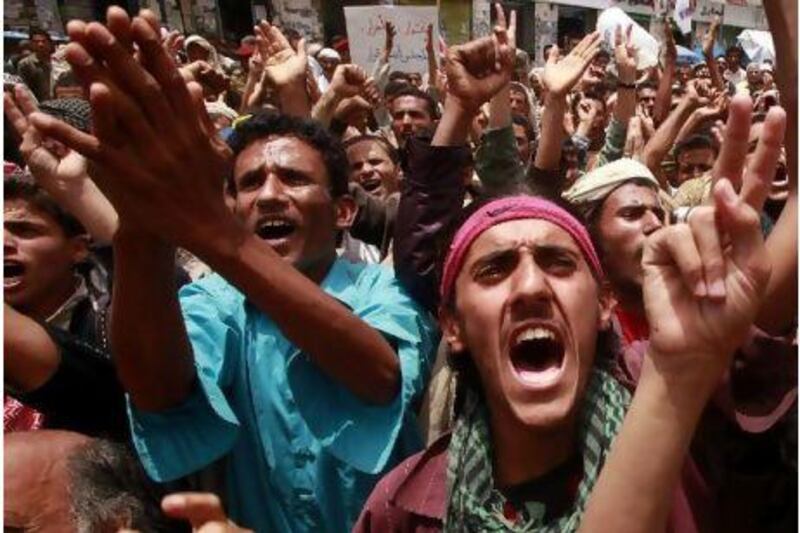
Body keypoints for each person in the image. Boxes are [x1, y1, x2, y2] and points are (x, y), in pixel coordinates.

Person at [34, 11, 437, 531]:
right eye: (249, 183)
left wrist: (217, 234)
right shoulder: (214, 300)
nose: (269, 194)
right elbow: (158, 391)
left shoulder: (385, 288)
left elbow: (378, 378)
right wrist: (142, 219)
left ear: (343, 211)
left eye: (292, 178)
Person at [17, 27, 54, 101]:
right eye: (36, 42)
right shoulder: (26, 64)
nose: (40, 44)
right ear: (31, 44)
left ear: (49, 43)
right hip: (41, 106)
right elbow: (25, 88)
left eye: (44, 41)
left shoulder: (58, 62)